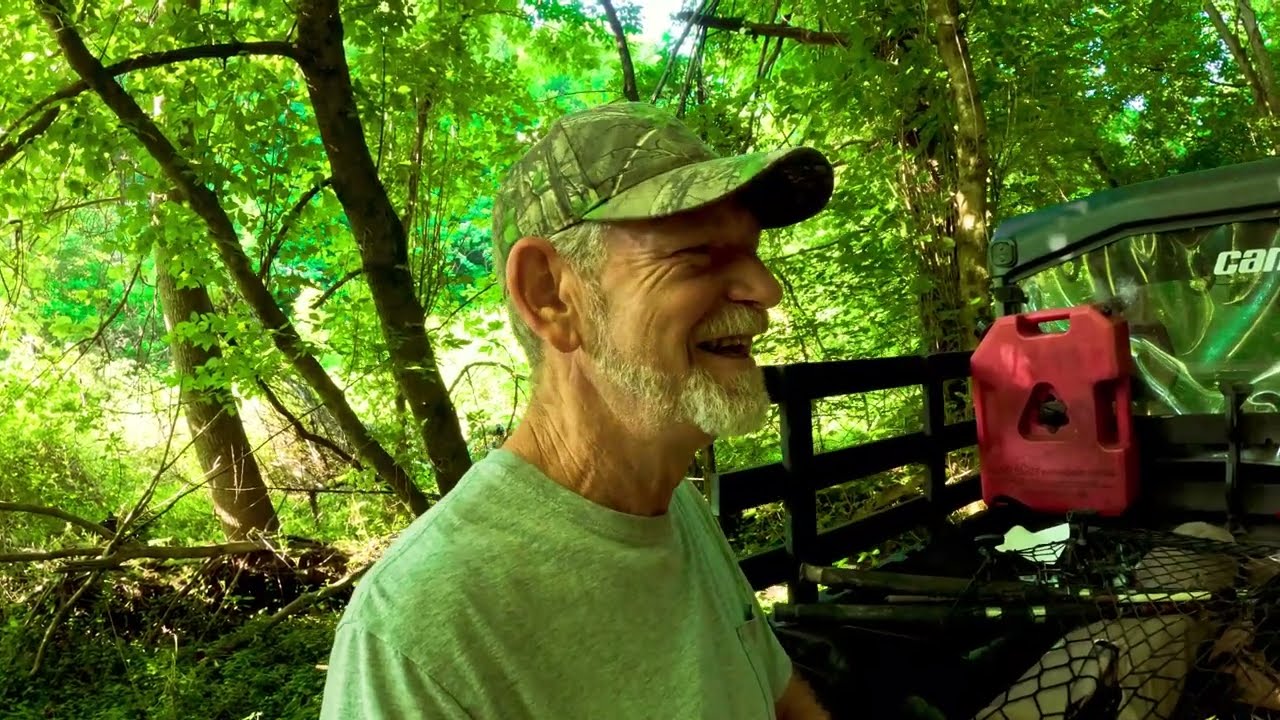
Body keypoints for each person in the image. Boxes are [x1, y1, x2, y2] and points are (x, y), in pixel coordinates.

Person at [319, 101, 835, 719]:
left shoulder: (672, 503)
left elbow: (773, 695)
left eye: (752, 250)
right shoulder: (419, 633)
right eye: (697, 253)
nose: (766, 289)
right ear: (551, 296)